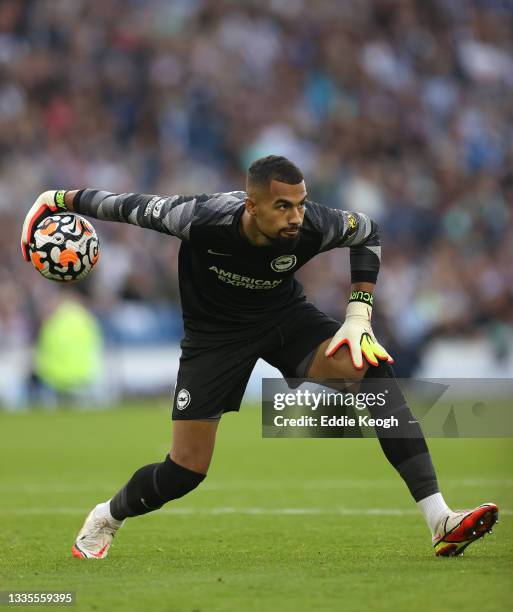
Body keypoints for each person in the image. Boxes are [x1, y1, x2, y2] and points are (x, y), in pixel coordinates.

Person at [21, 155, 498, 558]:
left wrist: (359, 316)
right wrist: (56, 199)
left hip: (283, 319)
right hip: (215, 339)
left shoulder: (313, 225)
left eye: (301, 204)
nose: (296, 217)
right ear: (252, 205)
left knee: (372, 369)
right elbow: (124, 206)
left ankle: (440, 520)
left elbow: (367, 232)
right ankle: (107, 515)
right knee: (185, 470)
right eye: (283, 206)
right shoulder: (199, 218)